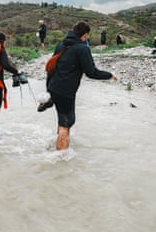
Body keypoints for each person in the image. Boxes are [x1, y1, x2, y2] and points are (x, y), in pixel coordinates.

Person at [43, 21, 118, 150]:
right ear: (84, 35)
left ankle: (57, 147)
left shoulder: (61, 45)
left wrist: (48, 89)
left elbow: (51, 68)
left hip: (54, 88)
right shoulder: (82, 49)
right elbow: (91, 72)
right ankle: (61, 158)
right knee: (66, 124)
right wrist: (109, 75)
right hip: (66, 92)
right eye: (87, 35)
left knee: (62, 120)